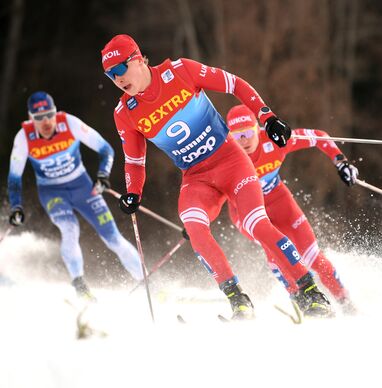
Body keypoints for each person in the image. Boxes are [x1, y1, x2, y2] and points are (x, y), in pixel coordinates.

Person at [101, 34, 332, 319]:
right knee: (195, 228)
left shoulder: (180, 71)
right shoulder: (125, 113)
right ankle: (238, 300)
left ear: (137, 59)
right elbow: (135, 159)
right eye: (110, 75)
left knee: (257, 224)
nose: (117, 79)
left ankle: (310, 291)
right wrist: (133, 192)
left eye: (120, 70)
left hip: (231, 162)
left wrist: (267, 117)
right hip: (197, 178)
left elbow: (234, 83)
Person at [7, 92, 144, 300]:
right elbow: (14, 177)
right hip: (52, 192)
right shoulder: (24, 137)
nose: (45, 122)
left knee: (113, 237)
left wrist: (102, 176)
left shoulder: (69, 123)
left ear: (55, 113)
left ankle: (146, 282)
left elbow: (106, 150)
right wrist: (16, 206)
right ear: (30, 118)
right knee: (69, 229)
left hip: (83, 187)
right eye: (38, 117)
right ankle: (80, 287)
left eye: (49, 114)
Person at [226, 104, 358, 314]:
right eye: (237, 135)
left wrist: (340, 161)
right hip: (245, 212)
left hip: (279, 201)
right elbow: (210, 190)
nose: (244, 140)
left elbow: (319, 136)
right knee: (276, 250)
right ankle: (302, 300)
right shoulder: (225, 155)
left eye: (249, 132)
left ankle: (347, 304)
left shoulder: (275, 141)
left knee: (313, 256)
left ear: (258, 128)